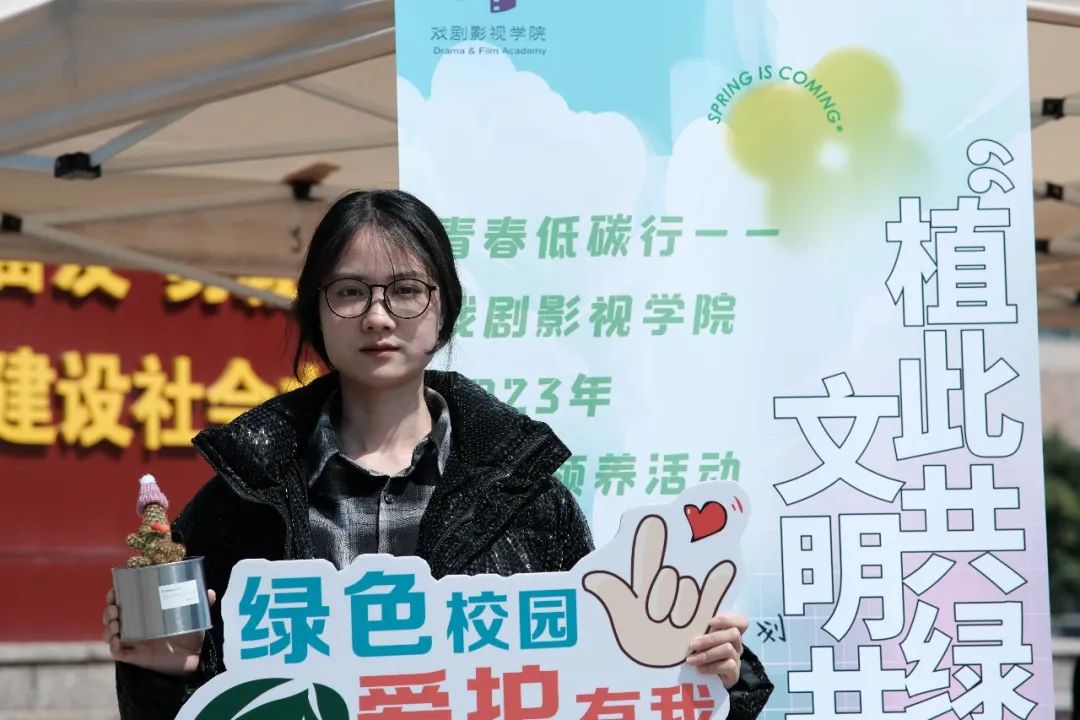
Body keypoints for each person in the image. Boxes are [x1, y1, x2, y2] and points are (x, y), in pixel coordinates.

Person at [102, 189, 773, 719]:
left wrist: (714, 673)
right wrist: (158, 670)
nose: (378, 316)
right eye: (349, 291)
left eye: (405, 290)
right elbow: (189, 705)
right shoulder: (238, 503)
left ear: (444, 308)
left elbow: (599, 679)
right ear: (315, 312)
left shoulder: (527, 499)